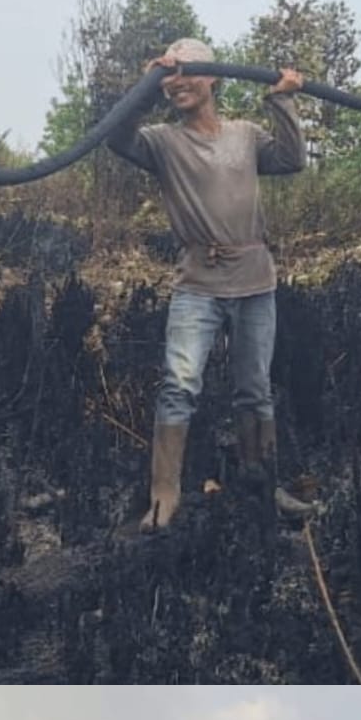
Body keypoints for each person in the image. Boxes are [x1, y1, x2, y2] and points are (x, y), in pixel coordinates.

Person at [106, 38, 314, 531]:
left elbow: (292, 160)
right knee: (179, 385)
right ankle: (164, 493)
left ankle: (261, 484)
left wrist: (281, 100)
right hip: (197, 282)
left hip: (255, 280)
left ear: (213, 76)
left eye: (188, 71)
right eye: (170, 76)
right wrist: (145, 85)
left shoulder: (245, 135)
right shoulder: (161, 141)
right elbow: (115, 137)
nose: (178, 83)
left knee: (255, 391)